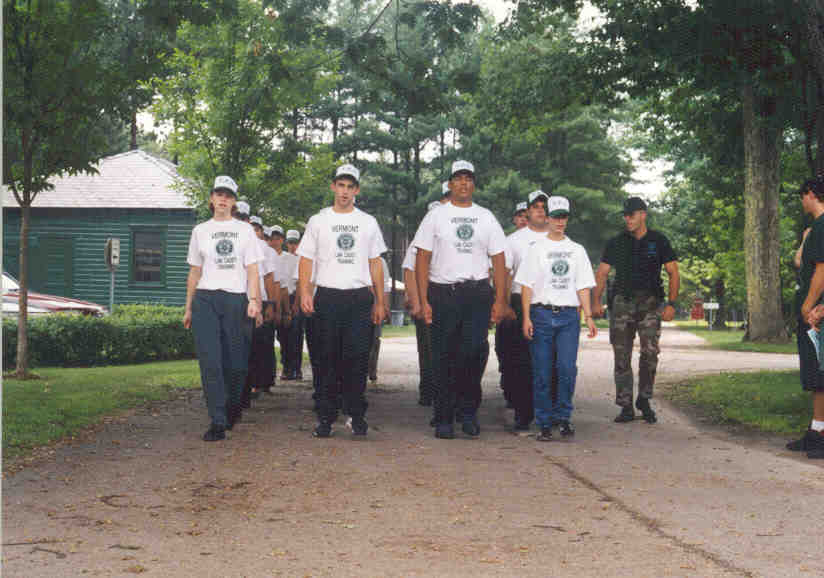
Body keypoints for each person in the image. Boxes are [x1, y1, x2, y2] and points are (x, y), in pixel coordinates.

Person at [414, 160, 511, 439]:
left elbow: (499, 259)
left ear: (474, 184)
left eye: (468, 178)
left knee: (472, 353)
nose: (464, 183)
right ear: (450, 183)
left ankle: (468, 412)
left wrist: (500, 301)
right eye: (458, 178)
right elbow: (422, 258)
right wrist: (423, 300)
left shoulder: (485, 217)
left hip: (477, 293)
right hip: (443, 292)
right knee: (442, 356)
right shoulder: (436, 217)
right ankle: (443, 416)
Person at [297, 164, 387, 438]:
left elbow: (375, 263)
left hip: (358, 297)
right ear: (333, 187)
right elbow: (306, 259)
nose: (345, 191)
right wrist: (304, 292)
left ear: (357, 190)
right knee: (326, 359)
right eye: (341, 185)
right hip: (327, 296)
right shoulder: (318, 221)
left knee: (357, 359)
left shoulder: (368, 222)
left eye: (350, 186)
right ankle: (325, 416)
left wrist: (380, 300)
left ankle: (357, 415)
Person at [183, 176, 263, 441]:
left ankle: (231, 406)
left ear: (233, 202)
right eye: (219, 194)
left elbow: (253, 270)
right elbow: (195, 272)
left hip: (236, 299)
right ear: (211, 199)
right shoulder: (200, 231)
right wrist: (188, 308)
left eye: (228, 196)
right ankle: (217, 420)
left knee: (237, 363)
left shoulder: (245, 231)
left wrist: (254, 301)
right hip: (205, 298)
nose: (223, 199)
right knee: (210, 361)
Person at [592, 196, 679, 424]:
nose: (627, 219)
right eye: (625, 215)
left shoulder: (658, 241)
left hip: (650, 303)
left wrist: (671, 303)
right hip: (622, 303)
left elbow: (673, 272)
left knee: (650, 352)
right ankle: (625, 405)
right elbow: (602, 273)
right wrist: (595, 302)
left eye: (631, 214)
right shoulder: (617, 242)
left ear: (643, 214)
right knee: (622, 355)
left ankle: (644, 398)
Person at [517, 196, 598, 441]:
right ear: (548, 218)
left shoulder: (576, 250)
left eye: (564, 217)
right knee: (542, 370)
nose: (560, 221)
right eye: (556, 216)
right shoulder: (537, 249)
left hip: (568, 317)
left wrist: (589, 316)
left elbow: (583, 285)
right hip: (542, 314)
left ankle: (563, 418)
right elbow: (526, 286)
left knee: (566, 368)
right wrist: (526, 317)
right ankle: (543, 421)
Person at [502, 191, 551, 430]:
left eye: (544, 206)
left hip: (548, 303)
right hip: (519, 303)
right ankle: (523, 413)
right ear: (527, 211)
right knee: (521, 362)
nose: (540, 210)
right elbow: (505, 274)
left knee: (549, 362)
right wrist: (501, 304)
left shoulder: (559, 238)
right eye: (535, 206)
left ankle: (548, 413)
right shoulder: (514, 240)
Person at [403, 183, 451, 408]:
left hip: (453, 297)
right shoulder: (422, 236)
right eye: (445, 198)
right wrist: (416, 302)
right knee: (429, 349)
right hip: (429, 296)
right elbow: (409, 269)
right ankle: (429, 390)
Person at [790, 177, 824, 459]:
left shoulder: (823, 226)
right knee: (815, 375)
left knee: (821, 373)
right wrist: (805, 238)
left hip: (817, 312)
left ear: (811, 194)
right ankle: (816, 431)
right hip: (815, 309)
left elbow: (822, 272)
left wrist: (809, 305)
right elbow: (801, 262)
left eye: (802, 196)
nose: (801, 201)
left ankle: (820, 435)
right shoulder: (815, 228)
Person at [243, 216, 281, 406]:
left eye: (257, 228)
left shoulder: (265, 250)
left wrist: (271, 305)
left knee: (261, 346)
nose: (253, 231)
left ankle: (261, 383)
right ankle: (245, 385)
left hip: (261, 300)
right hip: (239, 298)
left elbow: (271, 280)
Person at [496, 200, 530, 408]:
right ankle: (511, 389)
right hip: (512, 300)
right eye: (520, 216)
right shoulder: (509, 241)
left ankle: (525, 395)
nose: (523, 220)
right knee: (507, 349)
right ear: (514, 219)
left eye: (527, 216)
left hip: (533, 300)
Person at [284, 229, 304, 380]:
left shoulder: (302, 259)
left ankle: (296, 368)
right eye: (290, 243)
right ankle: (286, 367)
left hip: (296, 298)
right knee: (284, 335)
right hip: (284, 298)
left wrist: (296, 304)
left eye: (295, 243)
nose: (293, 246)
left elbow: (300, 284)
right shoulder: (282, 258)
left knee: (296, 334)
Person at [368, 255, 392, 382]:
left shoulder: (381, 262)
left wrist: (385, 305)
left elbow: (385, 285)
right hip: (358, 301)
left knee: (375, 338)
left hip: (376, 302)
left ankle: (372, 368)